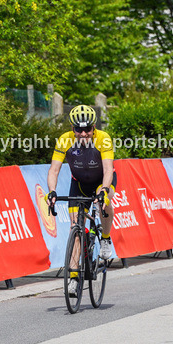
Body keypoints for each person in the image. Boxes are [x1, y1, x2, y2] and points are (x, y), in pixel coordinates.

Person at [47, 105, 116, 295]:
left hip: (101, 181)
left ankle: (106, 238)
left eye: (88, 129)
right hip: (78, 184)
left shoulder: (103, 139)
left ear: (94, 128)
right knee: (75, 228)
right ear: (72, 128)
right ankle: (74, 277)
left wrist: (103, 191)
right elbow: (54, 170)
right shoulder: (65, 140)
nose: (83, 133)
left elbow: (109, 170)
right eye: (79, 129)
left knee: (106, 201)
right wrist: (52, 192)